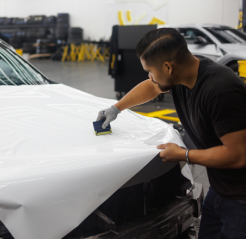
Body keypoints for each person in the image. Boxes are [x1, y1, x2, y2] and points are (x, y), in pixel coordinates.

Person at [97, 28, 246, 239]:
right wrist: (116, 109)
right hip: (220, 189)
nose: (149, 76)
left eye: (150, 70)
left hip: (241, 199)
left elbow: (239, 155)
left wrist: (184, 155)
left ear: (168, 67)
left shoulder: (220, 91)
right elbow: (152, 86)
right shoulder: (184, 72)